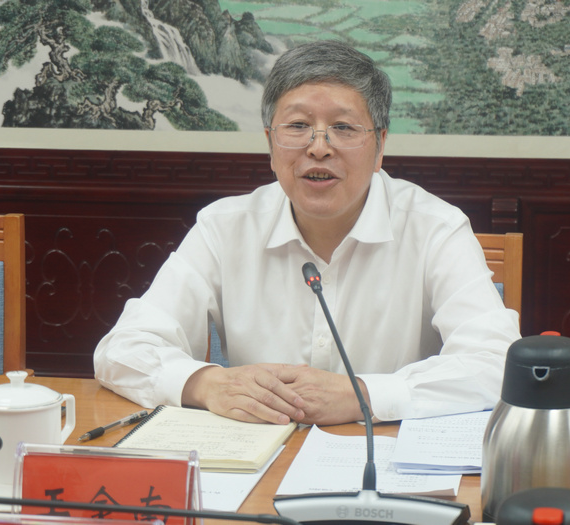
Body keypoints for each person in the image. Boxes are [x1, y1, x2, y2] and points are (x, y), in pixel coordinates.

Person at [94, 40, 521, 426]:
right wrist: (206, 384)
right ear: (271, 144)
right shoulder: (224, 227)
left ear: (380, 146)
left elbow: (497, 363)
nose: (318, 147)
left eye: (344, 127)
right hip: (257, 460)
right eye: (298, 126)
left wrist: (364, 396)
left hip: (384, 460)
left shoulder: (435, 228)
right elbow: (122, 349)